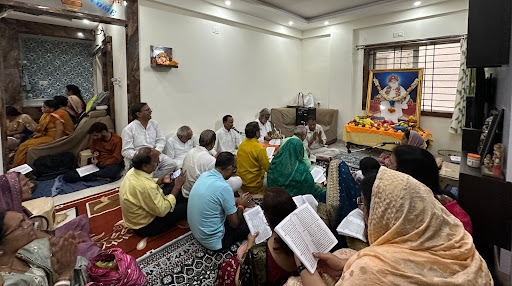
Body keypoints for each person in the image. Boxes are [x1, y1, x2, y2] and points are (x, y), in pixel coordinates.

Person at [297, 168, 493, 286]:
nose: (362, 212)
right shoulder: (458, 242)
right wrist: (345, 266)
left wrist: (302, 265)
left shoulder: (373, 270)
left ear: (385, 214)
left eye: (363, 205)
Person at [0, 172, 101, 261]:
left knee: (81, 221)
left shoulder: (17, 208)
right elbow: (30, 247)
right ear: (13, 192)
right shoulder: (7, 221)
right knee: (87, 248)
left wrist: (59, 240)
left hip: (43, 241)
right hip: (35, 253)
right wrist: (61, 243)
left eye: (28, 181)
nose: (31, 185)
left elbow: (35, 232)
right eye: (25, 185)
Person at [216, 187, 298, 286]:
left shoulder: (258, 254)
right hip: (292, 276)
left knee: (227, 266)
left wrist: (250, 244)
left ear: (267, 219)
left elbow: (240, 281)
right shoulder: (303, 237)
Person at [389, 145, 472, 234]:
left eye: (391, 165)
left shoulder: (441, 216)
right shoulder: (432, 197)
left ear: (407, 175)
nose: (387, 169)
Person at [0, 211, 88, 286]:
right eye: (20, 225)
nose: (29, 223)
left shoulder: (20, 253)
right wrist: (64, 275)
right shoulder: (7, 282)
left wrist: (62, 244)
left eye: (24, 220)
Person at [188, 152, 253, 251]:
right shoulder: (224, 187)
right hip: (215, 242)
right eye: (234, 169)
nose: (234, 172)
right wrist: (241, 206)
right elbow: (234, 224)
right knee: (249, 223)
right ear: (229, 169)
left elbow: (217, 199)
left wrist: (237, 201)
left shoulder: (205, 175)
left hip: (198, 233)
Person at [119, 147, 187, 237]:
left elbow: (148, 182)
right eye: (156, 160)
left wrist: (161, 180)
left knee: (174, 191)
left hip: (137, 218)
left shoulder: (133, 171)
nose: (159, 162)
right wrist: (177, 186)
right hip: (145, 226)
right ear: (145, 166)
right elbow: (162, 211)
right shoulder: (146, 187)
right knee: (187, 203)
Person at [12, 100, 74, 167]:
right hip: (46, 135)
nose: (42, 108)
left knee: (24, 146)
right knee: (24, 144)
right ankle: (19, 164)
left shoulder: (57, 116)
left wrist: (55, 142)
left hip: (52, 138)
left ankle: (18, 165)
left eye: (44, 107)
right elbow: (43, 129)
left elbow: (60, 129)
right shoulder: (47, 115)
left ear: (51, 109)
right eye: (42, 106)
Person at [181, 130, 242, 198]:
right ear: (213, 143)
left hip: (185, 191)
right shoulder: (210, 160)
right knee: (238, 180)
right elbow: (221, 179)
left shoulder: (190, 151)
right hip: (198, 195)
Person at [121, 103, 176, 178]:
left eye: (150, 109)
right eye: (147, 110)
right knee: (147, 168)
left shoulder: (154, 124)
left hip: (154, 153)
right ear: (139, 114)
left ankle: (152, 180)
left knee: (171, 164)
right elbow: (126, 151)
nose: (150, 111)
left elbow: (161, 139)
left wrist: (157, 151)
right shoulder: (129, 129)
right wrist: (145, 156)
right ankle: (150, 181)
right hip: (138, 159)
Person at [236, 122, 270, 195]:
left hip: (242, 183)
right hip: (254, 185)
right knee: (270, 177)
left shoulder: (241, 145)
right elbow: (268, 168)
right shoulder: (259, 148)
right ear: (257, 133)